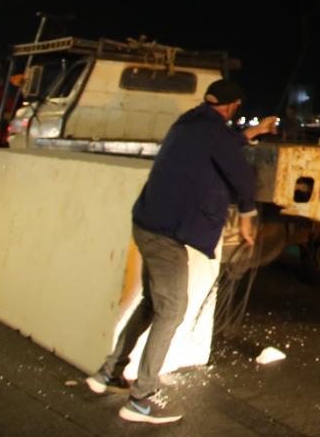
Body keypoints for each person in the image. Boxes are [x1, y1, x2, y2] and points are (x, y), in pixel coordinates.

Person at [84, 79, 278, 425]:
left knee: (152, 303)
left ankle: (108, 373)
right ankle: (140, 399)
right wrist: (248, 215)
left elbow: (227, 143)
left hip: (146, 223)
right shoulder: (215, 132)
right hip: (164, 235)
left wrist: (256, 132)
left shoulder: (190, 122)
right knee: (172, 309)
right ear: (233, 107)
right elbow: (241, 177)